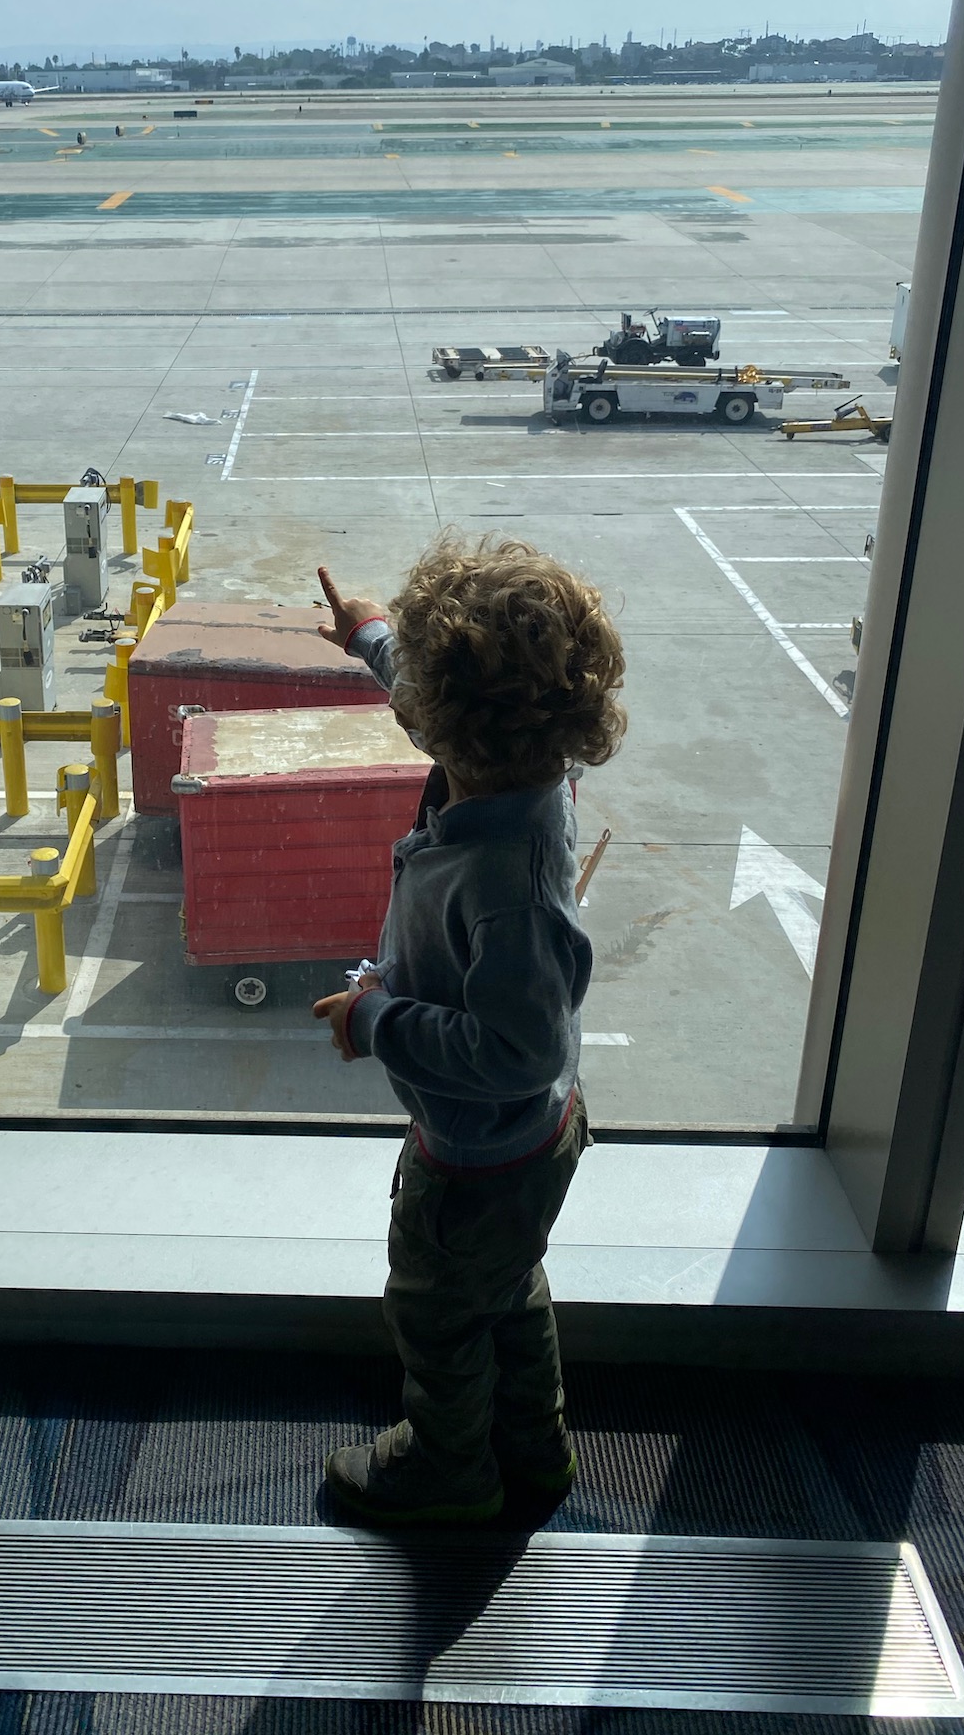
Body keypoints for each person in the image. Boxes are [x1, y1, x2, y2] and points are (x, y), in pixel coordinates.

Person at [312, 539, 626, 1525]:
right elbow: (429, 696)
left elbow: (515, 1049)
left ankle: (450, 1470)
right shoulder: (525, 764)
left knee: (438, 1314)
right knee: (509, 1291)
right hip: (529, 1141)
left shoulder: (509, 887)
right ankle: (535, 1450)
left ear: (450, 727)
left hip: (480, 1157)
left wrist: (380, 1019)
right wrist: (367, 633)